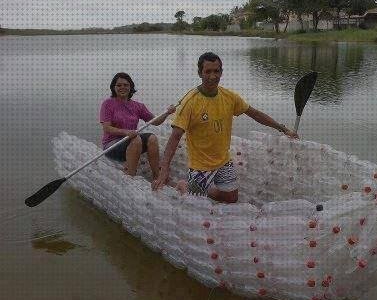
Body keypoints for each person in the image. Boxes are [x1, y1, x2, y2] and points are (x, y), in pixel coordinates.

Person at [151, 52, 297, 203]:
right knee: (195, 206)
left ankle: (199, 188)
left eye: (217, 71)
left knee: (231, 198)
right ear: (200, 73)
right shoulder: (190, 102)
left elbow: (255, 114)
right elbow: (175, 137)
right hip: (200, 165)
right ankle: (184, 186)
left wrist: (283, 128)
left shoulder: (229, 97)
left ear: (221, 72)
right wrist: (164, 169)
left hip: (223, 160)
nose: (213, 76)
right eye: (208, 71)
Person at [99, 72, 175, 180]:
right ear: (113, 87)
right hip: (112, 146)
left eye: (126, 85)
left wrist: (167, 113)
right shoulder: (108, 104)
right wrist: (126, 132)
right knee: (136, 139)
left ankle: (157, 176)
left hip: (132, 141)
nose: (122, 88)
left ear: (131, 87)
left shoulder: (138, 106)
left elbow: (155, 121)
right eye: (119, 85)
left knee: (152, 138)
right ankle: (130, 176)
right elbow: (107, 128)